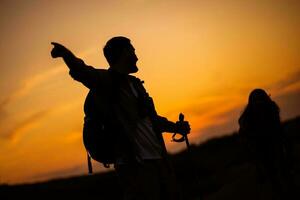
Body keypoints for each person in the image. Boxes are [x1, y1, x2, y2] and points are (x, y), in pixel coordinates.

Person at [50, 36, 190, 200]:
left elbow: (150, 120)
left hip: (159, 160)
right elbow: (83, 72)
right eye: (132, 51)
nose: (136, 57)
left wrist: (176, 127)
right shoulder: (105, 82)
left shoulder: (135, 84)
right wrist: (66, 54)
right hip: (134, 166)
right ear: (123, 54)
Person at [238, 88, 294, 199]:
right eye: (256, 101)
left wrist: (286, 146)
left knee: (282, 168)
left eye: (261, 100)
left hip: (272, 140)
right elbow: (247, 141)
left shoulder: (272, 109)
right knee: (270, 173)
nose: (259, 104)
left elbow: (278, 129)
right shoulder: (246, 119)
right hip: (258, 145)